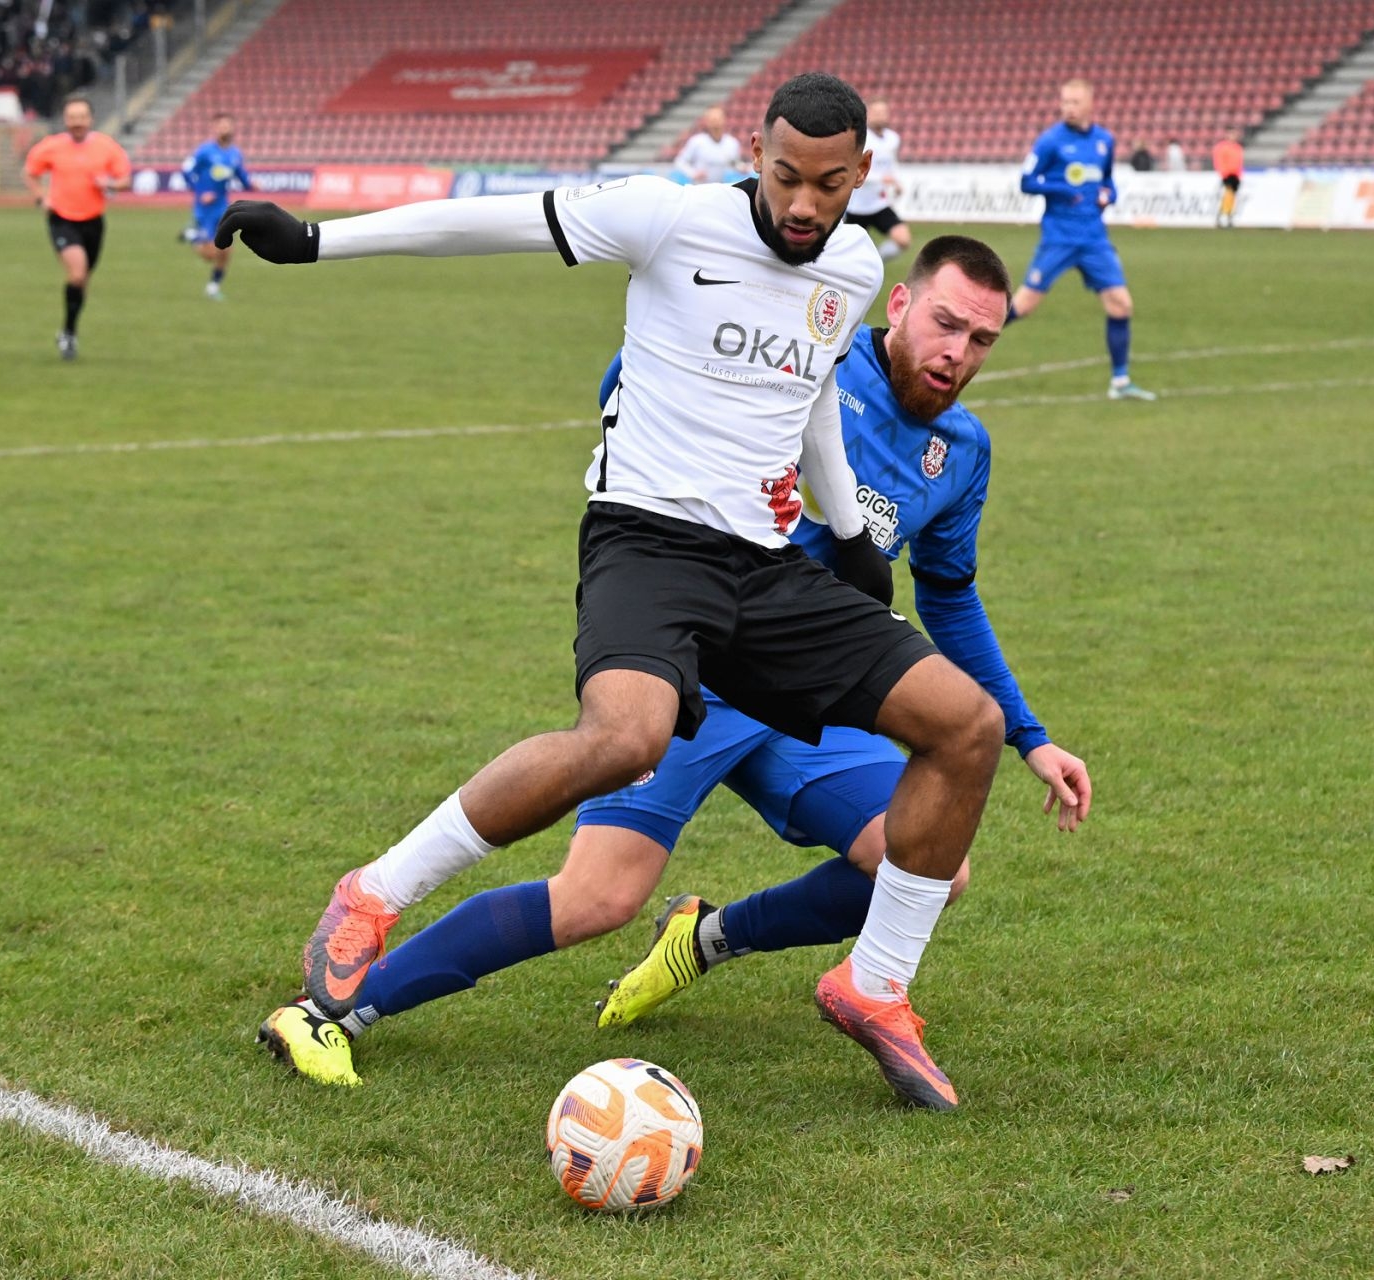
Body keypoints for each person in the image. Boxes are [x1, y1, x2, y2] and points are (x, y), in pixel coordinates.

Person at [221, 73, 1009, 1109]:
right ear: (755, 154)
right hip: (649, 542)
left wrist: (853, 535)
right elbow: (489, 222)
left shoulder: (854, 264)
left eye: (827, 184)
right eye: (784, 177)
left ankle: (875, 985)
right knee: (625, 737)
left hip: (764, 567)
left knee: (967, 726)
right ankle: (374, 892)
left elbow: (811, 384)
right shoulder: (668, 217)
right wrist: (317, 241)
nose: (802, 204)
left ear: (862, 174)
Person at [585, 240, 1091, 1054]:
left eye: (981, 340)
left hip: (810, 685)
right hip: (698, 669)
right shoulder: (807, 356)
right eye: (946, 324)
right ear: (900, 303)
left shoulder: (960, 449)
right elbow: (634, 377)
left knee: (928, 867)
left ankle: (702, 940)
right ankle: (365, 972)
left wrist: (1030, 736)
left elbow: (949, 596)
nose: (958, 352)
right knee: (594, 899)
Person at [1008, 79, 1155, 401]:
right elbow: (1026, 182)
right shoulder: (1050, 141)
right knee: (1024, 305)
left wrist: (1108, 196)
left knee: (1121, 304)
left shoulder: (1104, 140)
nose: (1068, 108)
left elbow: (1108, 183)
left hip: (1094, 238)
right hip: (1059, 237)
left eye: (1075, 102)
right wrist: (1062, 190)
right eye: (1064, 102)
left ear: (1090, 104)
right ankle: (963, 339)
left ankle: (1120, 382)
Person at [21, 96, 129, 360]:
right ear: (65, 120)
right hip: (62, 219)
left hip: (94, 221)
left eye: (81, 117)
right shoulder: (52, 146)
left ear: (90, 119)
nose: (77, 122)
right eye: (72, 117)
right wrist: (41, 197)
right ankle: (69, 335)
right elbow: (30, 172)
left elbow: (125, 179)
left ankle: (68, 330)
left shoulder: (106, 147)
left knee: (82, 282)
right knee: (77, 274)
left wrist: (109, 184)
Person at [180, 111, 252, 299]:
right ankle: (192, 236)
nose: (224, 129)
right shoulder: (205, 151)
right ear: (215, 128)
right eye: (221, 125)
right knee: (209, 255)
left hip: (222, 206)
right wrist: (200, 192)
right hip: (204, 209)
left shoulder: (235, 154)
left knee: (226, 250)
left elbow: (241, 177)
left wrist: (251, 184)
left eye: (228, 125)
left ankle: (213, 287)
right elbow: (187, 172)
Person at [845, 99, 910, 262]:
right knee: (847, 253)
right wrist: (882, 179)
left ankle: (875, 263)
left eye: (883, 112)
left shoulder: (893, 138)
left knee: (903, 239)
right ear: (868, 115)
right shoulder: (861, 138)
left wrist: (896, 183)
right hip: (856, 207)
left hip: (878, 204)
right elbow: (853, 171)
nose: (880, 116)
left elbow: (891, 164)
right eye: (876, 112)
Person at [670, 106, 748, 184]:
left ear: (724, 120)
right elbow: (680, 161)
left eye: (718, 119)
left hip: (723, 187)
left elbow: (734, 163)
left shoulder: (732, 143)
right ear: (707, 122)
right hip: (701, 187)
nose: (715, 123)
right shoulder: (697, 141)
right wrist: (693, 173)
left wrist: (742, 167)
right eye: (712, 119)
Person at [1213, 129, 1244, 229]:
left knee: (1232, 197)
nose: (1233, 137)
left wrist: (1239, 174)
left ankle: (1228, 216)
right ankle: (1222, 216)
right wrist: (1223, 173)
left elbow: (1239, 162)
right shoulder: (1222, 147)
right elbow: (1219, 161)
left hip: (1236, 175)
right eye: (1231, 134)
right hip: (1227, 174)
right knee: (1228, 195)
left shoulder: (1238, 147)